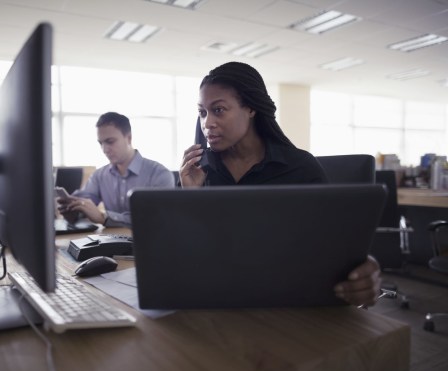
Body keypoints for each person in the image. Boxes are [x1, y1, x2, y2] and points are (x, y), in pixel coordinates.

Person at [180, 61, 381, 307]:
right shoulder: (200, 172)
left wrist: (362, 268)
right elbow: (187, 252)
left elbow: (334, 245)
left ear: (251, 108)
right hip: (216, 294)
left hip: (286, 299)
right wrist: (191, 196)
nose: (207, 123)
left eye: (218, 110)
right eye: (202, 112)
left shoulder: (300, 168)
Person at [58, 111, 175, 227]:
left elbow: (155, 219)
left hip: (150, 243)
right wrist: (73, 211)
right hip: (111, 242)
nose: (105, 149)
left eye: (110, 142)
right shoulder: (99, 176)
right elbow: (85, 201)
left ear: (129, 138)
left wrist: (103, 217)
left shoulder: (159, 174)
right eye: (101, 143)